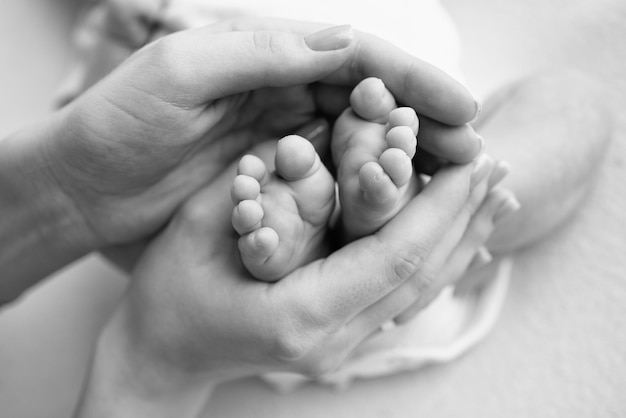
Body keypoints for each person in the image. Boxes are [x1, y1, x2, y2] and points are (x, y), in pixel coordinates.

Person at [0, 15, 495, 418]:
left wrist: (65, 194)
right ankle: (386, 217)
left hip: (213, 110)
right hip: (212, 212)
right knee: (537, 129)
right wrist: (153, 369)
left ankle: (373, 215)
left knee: (488, 170)